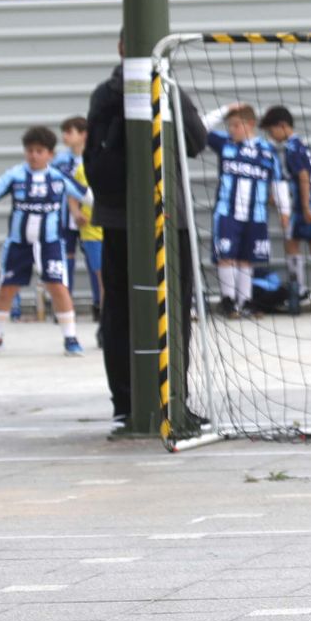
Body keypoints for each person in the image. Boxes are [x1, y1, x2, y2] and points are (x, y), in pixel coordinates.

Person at [85, 31, 208, 431]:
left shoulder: (171, 87)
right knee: (121, 313)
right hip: (124, 222)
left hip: (170, 219)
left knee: (173, 313)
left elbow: (196, 141)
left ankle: (174, 402)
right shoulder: (106, 95)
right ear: (122, 47)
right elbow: (96, 165)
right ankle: (127, 403)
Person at [0, 126, 91, 355]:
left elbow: (88, 197)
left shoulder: (58, 177)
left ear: (50, 154)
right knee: (7, 289)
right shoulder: (15, 175)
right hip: (19, 244)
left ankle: (70, 338)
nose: (34, 155)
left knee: (58, 287)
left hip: (50, 244)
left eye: (39, 151)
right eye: (30, 150)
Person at [202, 103, 290, 318]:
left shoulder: (267, 151)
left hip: (256, 215)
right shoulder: (226, 144)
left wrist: (284, 211)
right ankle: (228, 301)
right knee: (226, 256)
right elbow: (200, 127)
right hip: (227, 212)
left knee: (246, 259)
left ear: (250, 124)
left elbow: (278, 182)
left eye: (235, 125)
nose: (231, 129)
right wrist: (225, 109)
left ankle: (246, 302)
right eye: (229, 125)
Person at [259, 106, 311, 312]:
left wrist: (305, 206)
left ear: (282, 126)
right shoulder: (299, 144)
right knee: (296, 243)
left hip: (310, 203)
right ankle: (304, 291)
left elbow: (304, 177)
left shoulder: (293, 148)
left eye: (271, 130)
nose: (271, 136)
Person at [54, 116, 103, 322]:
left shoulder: (93, 157)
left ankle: (98, 305)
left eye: (69, 132)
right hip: (66, 219)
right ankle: (64, 307)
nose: (65, 136)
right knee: (66, 261)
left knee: (96, 265)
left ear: (83, 135)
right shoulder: (60, 162)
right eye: (63, 132)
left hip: (91, 220)